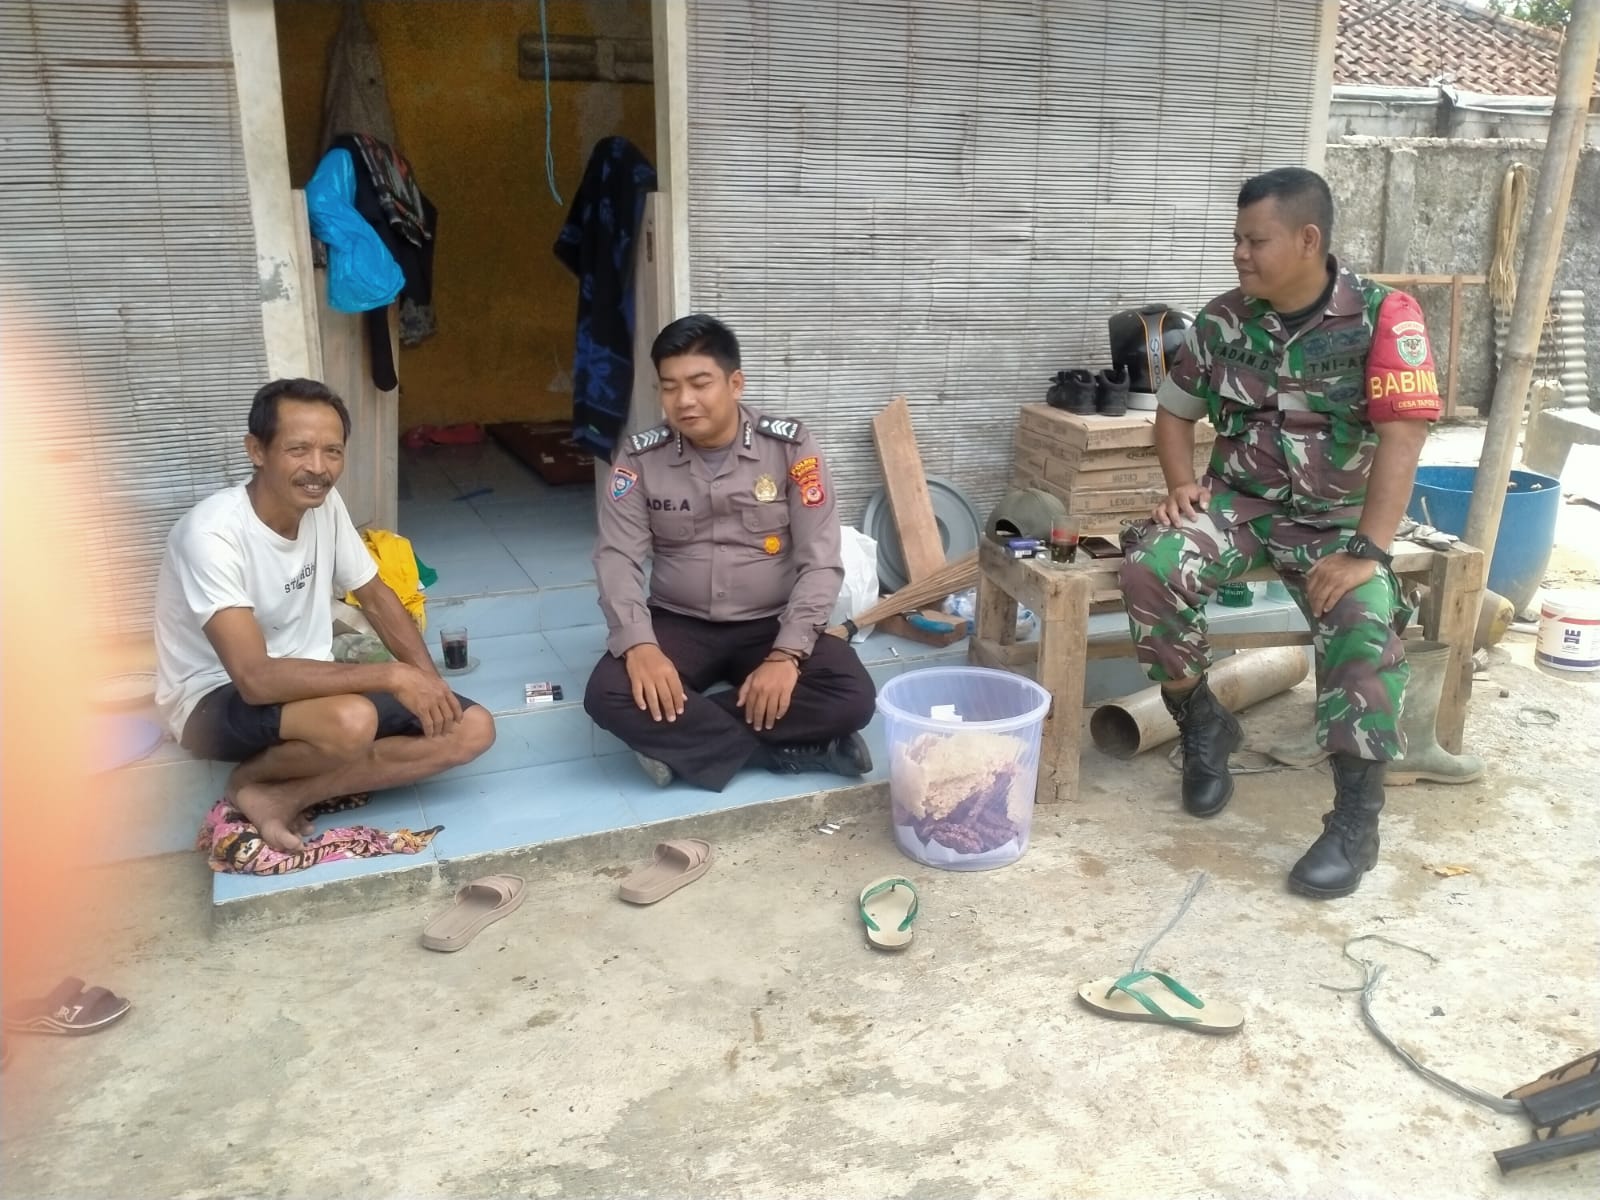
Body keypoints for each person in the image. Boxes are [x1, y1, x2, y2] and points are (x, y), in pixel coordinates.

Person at [1119, 167, 1440, 900]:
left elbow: (1404, 439)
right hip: (1241, 505)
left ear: (1307, 239)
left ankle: (1354, 824)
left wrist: (1368, 552)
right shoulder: (1222, 320)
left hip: (1339, 523)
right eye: (1236, 239)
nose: (1239, 254)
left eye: (1255, 241)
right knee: (1150, 568)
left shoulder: (1384, 317)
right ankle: (1202, 722)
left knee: (1362, 623)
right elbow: (1174, 413)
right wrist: (1180, 484)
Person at [154, 379, 495, 852]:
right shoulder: (212, 535)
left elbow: (374, 596)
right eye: (298, 449)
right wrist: (393, 676)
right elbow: (255, 679)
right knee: (351, 720)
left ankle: (281, 795)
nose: (318, 468)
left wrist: (428, 684)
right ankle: (249, 778)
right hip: (213, 698)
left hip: (312, 685)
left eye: (332, 451)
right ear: (257, 450)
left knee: (471, 728)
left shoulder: (324, 505)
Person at [584, 314, 877, 790]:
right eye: (669, 387)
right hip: (680, 621)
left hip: (771, 620)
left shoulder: (790, 447)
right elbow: (617, 557)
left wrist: (786, 655)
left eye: (699, 383)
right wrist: (639, 645)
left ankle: (680, 738)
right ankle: (792, 751)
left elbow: (821, 561)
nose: (684, 400)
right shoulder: (640, 458)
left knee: (852, 696)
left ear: (735, 383)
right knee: (608, 694)